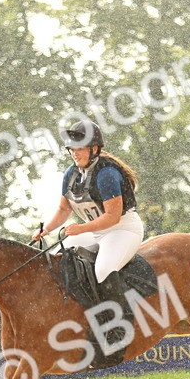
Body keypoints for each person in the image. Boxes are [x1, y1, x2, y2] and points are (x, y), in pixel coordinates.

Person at [32, 120, 143, 314]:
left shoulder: (107, 174)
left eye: (79, 149)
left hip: (122, 230)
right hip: (95, 231)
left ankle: (123, 320)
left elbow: (112, 217)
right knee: (58, 259)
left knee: (103, 269)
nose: (75, 154)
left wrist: (81, 228)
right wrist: (46, 229)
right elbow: (63, 209)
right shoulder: (71, 174)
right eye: (71, 150)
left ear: (94, 149)